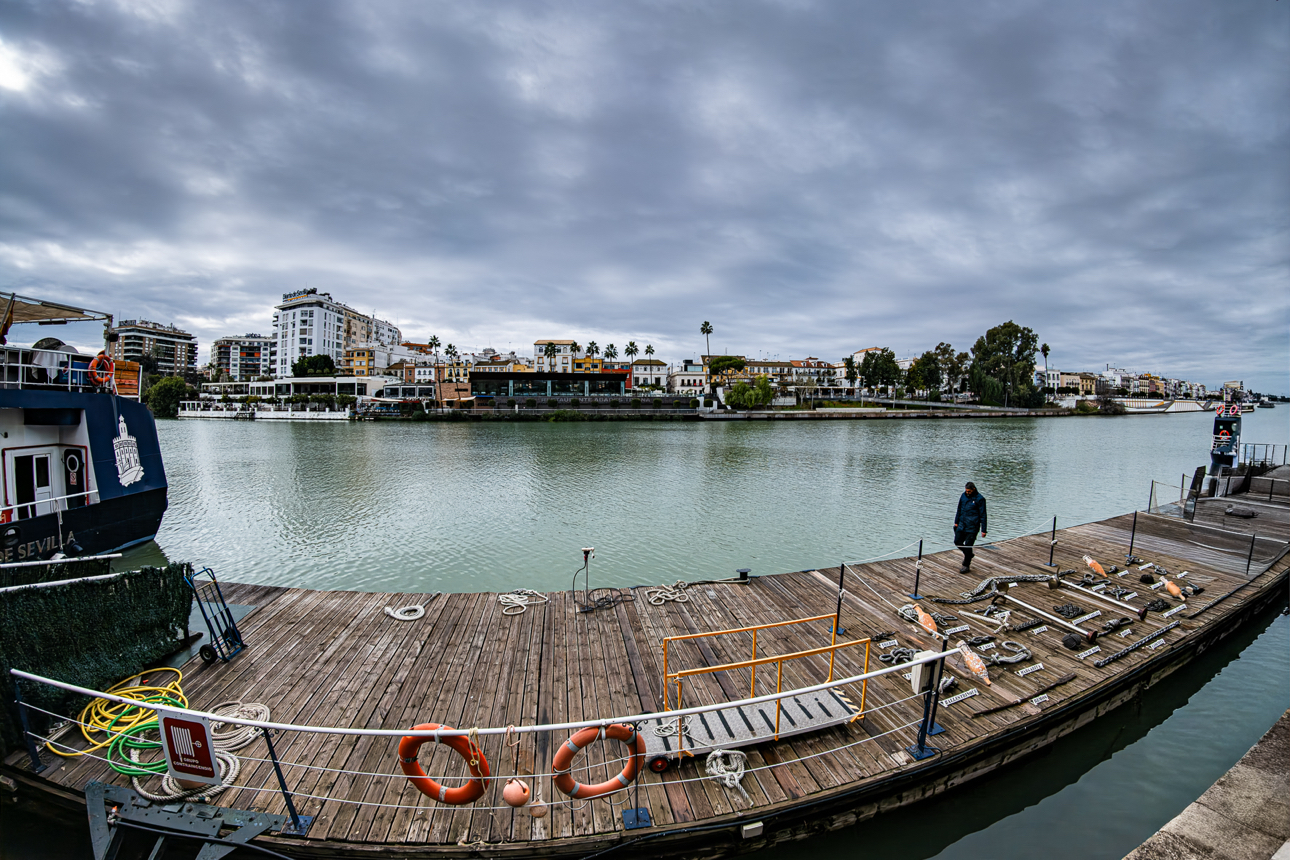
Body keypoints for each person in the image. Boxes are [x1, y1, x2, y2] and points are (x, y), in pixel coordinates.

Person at [954, 482, 987, 573]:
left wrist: (983, 530)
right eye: (966, 491)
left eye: (969, 491)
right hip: (962, 524)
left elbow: (983, 515)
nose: (967, 492)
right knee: (957, 541)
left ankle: (966, 565)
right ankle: (969, 554)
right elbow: (959, 508)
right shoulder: (963, 496)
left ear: (973, 489)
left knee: (968, 544)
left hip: (973, 526)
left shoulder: (980, 499)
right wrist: (956, 522)